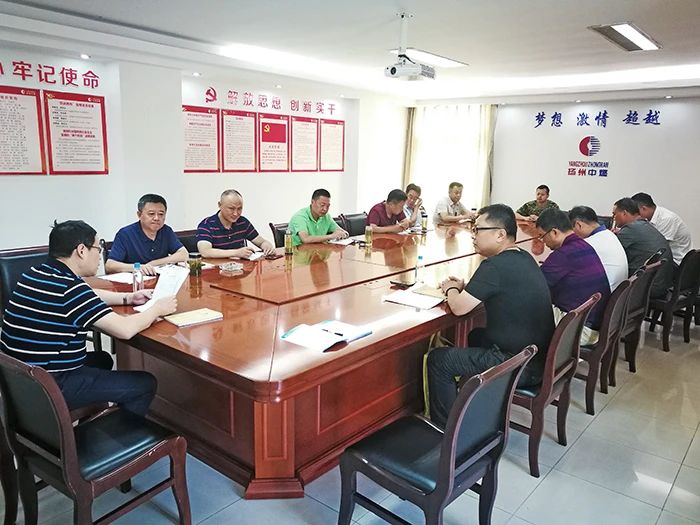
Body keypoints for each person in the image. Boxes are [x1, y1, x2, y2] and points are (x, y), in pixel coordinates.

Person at [0, 220, 178, 416]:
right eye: (98, 249)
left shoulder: (35, 274)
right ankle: (116, 432)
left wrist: (128, 297)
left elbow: (88, 294)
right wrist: (157, 309)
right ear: (81, 250)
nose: (99, 256)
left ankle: (92, 418)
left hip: (21, 381)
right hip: (51, 386)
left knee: (102, 360)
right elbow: (125, 330)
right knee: (145, 383)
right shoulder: (70, 289)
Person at [427, 204, 555, 428]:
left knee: (439, 360)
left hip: (518, 365)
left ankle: (447, 431)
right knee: (476, 335)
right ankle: (470, 400)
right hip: (537, 359)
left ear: (500, 235)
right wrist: (466, 288)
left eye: (478, 230)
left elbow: (458, 308)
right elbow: (498, 287)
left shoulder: (494, 266)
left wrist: (451, 288)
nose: (473, 236)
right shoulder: (524, 257)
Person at [536, 209, 610, 345]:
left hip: (580, 329)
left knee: (525, 305)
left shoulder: (563, 255)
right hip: (594, 322)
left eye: (542, 236)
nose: (543, 241)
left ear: (554, 232)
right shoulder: (585, 246)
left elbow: (535, 287)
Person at [106, 194, 187, 275]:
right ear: (139, 215)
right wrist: (138, 267)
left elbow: (184, 254)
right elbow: (110, 266)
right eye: (151, 214)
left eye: (161, 214)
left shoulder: (166, 230)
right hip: (135, 280)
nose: (156, 218)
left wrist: (154, 263)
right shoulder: (125, 234)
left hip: (160, 279)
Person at [612, 197, 674, 298]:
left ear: (624, 213)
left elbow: (612, 253)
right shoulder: (645, 226)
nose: (614, 218)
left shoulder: (630, 229)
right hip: (661, 284)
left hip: (647, 288)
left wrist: (610, 237)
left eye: (615, 214)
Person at [196, 189, 275, 258]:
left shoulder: (243, 222)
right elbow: (205, 252)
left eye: (239, 209)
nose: (235, 213)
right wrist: (236, 253)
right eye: (231, 208)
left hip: (240, 268)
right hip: (216, 268)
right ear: (220, 205)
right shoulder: (206, 225)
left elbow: (261, 242)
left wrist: (267, 246)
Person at [569, 206, 628, 292]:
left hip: (604, 295)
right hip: (618, 293)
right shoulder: (609, 234)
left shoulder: (588, 243)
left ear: (579, 225)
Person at [631, 192, 692, 266]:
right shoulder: (650, 218)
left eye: (636, 212)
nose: (635, 215)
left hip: (677, 262)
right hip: (665, 259)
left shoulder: (666, 219)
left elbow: (656, 246)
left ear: (644, 208)